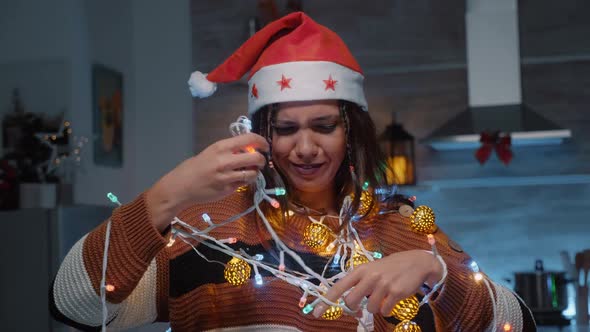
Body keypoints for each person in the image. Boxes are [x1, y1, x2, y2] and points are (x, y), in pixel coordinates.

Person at [50, 12, 536, 331]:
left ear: (351, 130)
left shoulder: (403, 223)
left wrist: (436, 271)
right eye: (286, 129)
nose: (305, 148)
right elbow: (77, 305)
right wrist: (165, 196)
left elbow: (516, 324)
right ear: (262, 132)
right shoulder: (207, 230)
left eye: (324, 126)